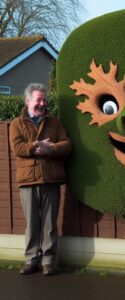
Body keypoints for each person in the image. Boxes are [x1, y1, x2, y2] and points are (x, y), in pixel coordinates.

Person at [9, 83, 72, 276]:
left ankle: (48, 261)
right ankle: (31, 260)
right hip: (28, 181)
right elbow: (17, 147)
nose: (42, 103)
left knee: (49, 224)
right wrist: (35, 146)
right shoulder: (16, 124)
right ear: (28, 101)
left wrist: (50, 149)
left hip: (51, 179)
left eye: (44, 100)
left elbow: (67, 144)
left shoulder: (55, 122)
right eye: (38, 99)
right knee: (32, 223)